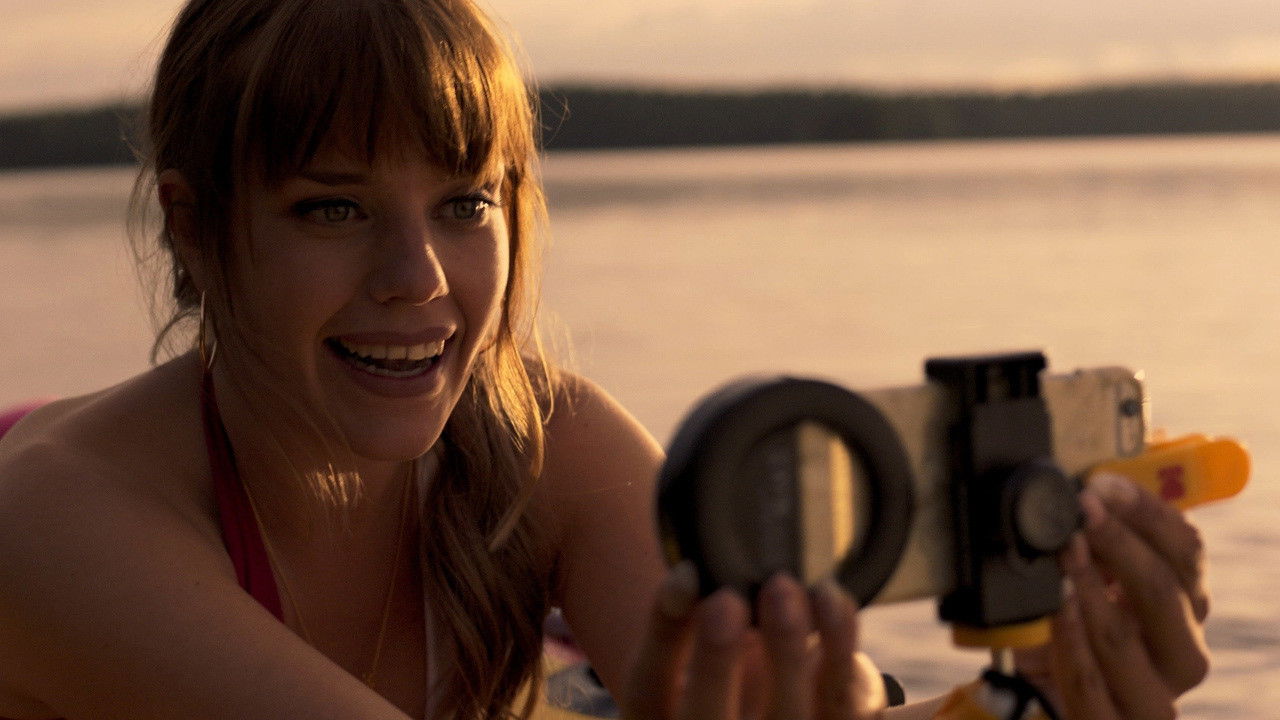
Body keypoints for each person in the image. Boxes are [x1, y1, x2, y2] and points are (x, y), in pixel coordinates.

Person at [0, 0, 1210, 718]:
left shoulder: (541, 442)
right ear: (196, 227)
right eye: (331, 208)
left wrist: (1039, 689)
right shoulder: (59, 524)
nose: (417, 278)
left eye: (466, 204)